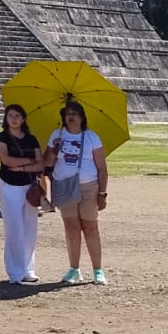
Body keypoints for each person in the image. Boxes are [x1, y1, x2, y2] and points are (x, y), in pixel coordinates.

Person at [45, 101, 109, 285]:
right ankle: (74, 269)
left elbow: (102, 168)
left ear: (82, 117)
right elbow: (47, 163)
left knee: (91, 228)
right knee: (71, 229)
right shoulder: (56, 136)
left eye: (75, 113)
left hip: (88, 186)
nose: (71, 117)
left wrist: (102, 193)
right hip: (65, 185)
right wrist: (54, 149)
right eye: (67, 114)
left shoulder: (91, 137)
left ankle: (98, 270)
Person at [0, 103, 45, 284]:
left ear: (23, 119)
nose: (14, 119)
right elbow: (7, 160)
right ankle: (15, 271)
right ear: (6, 119)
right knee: (14, 227)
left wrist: (23, 166)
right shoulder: (2, 137)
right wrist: (30, 161)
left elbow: (41, 164)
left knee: (30, 227)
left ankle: (28, 268)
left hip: (29, 185)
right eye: (10, 115)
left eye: (17, 115)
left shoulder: (31, 139)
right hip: (9, 184)